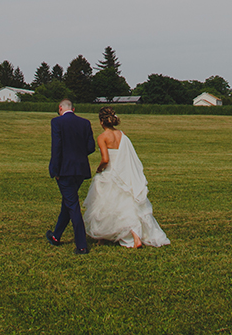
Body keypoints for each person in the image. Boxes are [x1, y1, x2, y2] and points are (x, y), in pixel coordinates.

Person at [81, 106, 170, 248]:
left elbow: (105, 159)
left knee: (104, 206)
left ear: (101, 122)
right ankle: (134, 237)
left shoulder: (102, 137)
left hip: (110, 173)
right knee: (126, 206)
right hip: (124, 173)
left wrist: (99, 169)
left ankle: (102, 236)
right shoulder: (122, 135)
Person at [46, 98, 95, 254]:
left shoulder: (57, 122)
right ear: (73, 109)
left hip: (65, 171)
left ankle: (81, 245)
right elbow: (90, 147)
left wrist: (55, 170)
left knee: (73, 206)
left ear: (60, 108)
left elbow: (57, 147)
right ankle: (56, 236)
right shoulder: (85, 123)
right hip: (80, 169)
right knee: (68, 203)